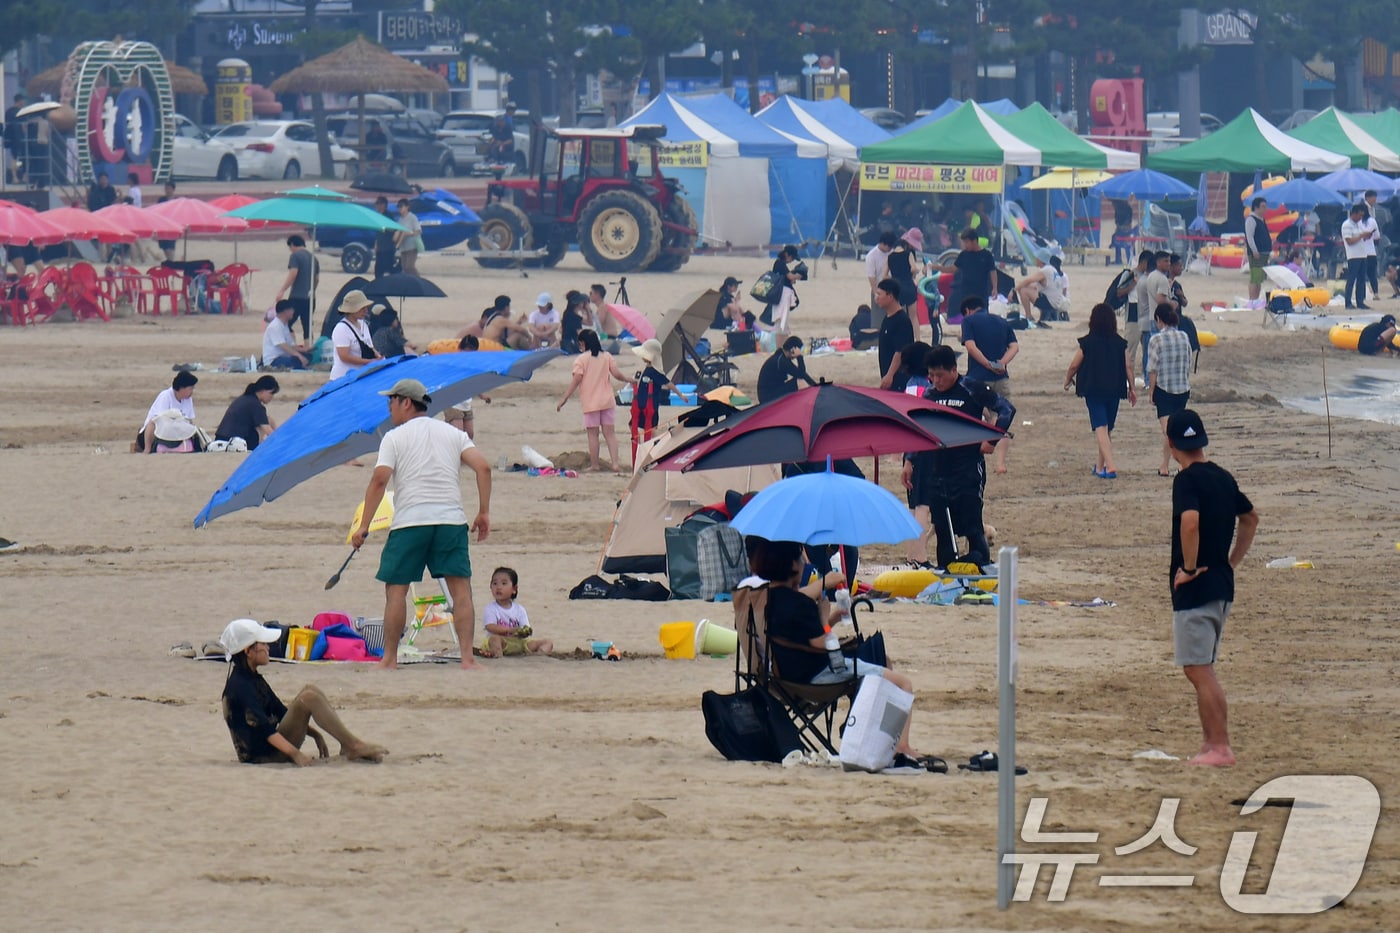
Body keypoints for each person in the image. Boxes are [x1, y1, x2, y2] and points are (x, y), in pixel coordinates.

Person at [751, 538, 931, 772]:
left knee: (879, 661)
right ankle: (901, 746)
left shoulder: (765, 599)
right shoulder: (798, 604)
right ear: (793, 566)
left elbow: (801, 636)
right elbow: (822, 643)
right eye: (800, 561)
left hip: (783, 674)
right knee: (903, 684)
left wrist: (833, 617)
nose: (804, 565)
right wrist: (825, 620)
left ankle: (861, 729)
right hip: (817, 677)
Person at [352, 378, 492, 670]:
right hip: (450, 521)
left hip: (410, 523)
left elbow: (380, 480)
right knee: (461, 591)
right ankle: (467, 658)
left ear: (406, 402)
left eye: (391, 401)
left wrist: (363, 526)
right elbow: (483, 467)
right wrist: (483, 512)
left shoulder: (394, 437)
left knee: (396, 591)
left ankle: (389, 659)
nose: (388, 407)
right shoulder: (452, 433)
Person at [1163, 410, 1259, 767]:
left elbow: (1190, 523)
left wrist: (1188, 569)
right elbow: (1250, 518)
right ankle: (1211, 744)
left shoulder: (1186, 481)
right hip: (1221, 583)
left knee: (1198, 669)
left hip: (1198, 585)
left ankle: (1219, 747)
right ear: (1201, 440)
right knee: (1203, 667)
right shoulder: (1222, 476)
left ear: (1171, 444)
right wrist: (1231, 562)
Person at [902, 345, 1014, 570]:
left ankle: (981, 568)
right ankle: (947, 572)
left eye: (940, 375)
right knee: (942, 528)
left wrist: (991, 440)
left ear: (954, 370)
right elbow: (919, 428)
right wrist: (909, 460)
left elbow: (1007, 410)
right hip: (937, 470)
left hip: (968, 469)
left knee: (972, 526)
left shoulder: (971, 388)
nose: (935, 381)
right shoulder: (930, 394)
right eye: (931, 375)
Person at [219, 618, 387, 766]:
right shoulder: (240, 686)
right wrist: (296, 754)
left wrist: (316, 735)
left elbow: (281, 711)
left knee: (309, 690)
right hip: (264, 757)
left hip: (271, 746)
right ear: (248, 651)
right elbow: (265, 730)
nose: (268, 647)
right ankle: (353, 746)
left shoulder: (251, 677)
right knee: (309, 697)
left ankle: (349, 744)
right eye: (263, 643)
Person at [1064, 303, 1136, 478]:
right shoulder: (1120, 343)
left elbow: (1074, 364)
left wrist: (1067, 380)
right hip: (1115, 389)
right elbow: (1128, 366)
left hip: (1093, 388)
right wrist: (1132, 388)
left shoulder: (1087, 342)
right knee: (1106, 429)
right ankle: (1099, 466)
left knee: (1100, 427)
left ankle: (1110, 466)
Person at [958, 295, 1017, 473]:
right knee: (1003, 416)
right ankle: (1001, 464)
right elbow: (1014, 347)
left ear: (967, 310)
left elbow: (970, 346)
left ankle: (979, 449)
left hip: (978, 377)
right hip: (1001, 376)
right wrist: (1001, 363)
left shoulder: (969, 321)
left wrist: (986, 364)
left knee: (975, 415)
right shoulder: (1001, 321)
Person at [557, 329, 629, 473]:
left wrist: (564, 397)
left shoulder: (581, 359)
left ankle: (595, 465)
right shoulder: (606, 356)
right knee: (610, 434)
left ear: (583, 343)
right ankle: (615, 464)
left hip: (591, 403)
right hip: (607, 401)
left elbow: (576, 380)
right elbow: (617, 374)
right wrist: (630, 380)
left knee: (593, 435)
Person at [1147, 304, 1193, 477]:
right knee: (1175, 429)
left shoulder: (1156, 340)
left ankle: (1171, 465)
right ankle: (1172, 466)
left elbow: (1152, 368)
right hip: (1182, 387)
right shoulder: (1184, 336)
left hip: (1164, 389)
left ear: (1159, 319)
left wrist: (1151, 391)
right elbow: (1188, 361)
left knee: (1168, 431)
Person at [630, 338, 687, 458]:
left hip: (650, 406)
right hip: (640, 404)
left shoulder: (656, 372)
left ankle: (657, 448)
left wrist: (680, 395)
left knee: (651, 429)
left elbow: (669, 383)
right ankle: (644, 448)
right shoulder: (647, 368)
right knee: (635, 425)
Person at [479, 567, 553, 657]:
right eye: (495, 583)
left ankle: (537, 657)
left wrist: (524, 631)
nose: (498, 587)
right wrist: (509, 630)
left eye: (503, 583)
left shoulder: (519, 609)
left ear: (514, 589)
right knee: (494, 640)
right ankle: (497, 655)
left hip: (519, 643)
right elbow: (490, 626)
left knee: (547, 642)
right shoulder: (491, 608)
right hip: (502, 641)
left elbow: (525, 628)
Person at [935, 228, 998, 327]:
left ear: (974, 241)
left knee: (983, 317)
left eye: (967, 242)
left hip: (981, 292)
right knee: (967, 317)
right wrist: (938, 267)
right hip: (966, 292)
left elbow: (992, 272)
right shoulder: (964, 254)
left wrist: (995, 287)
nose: (965, 245)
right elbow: (953, 269)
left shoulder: (986, 255)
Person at [1135, 251, 1175, 383]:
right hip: (1161, 319)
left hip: (1152, 318)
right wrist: (1173, 304)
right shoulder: (1162, 279)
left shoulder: (1150, 276)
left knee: (1151, 350)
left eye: (1169, 261)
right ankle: (1156, 380)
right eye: (1166, 261)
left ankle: (1148, 380)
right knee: (1162, 351)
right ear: (1158, 262)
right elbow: (1160, 299)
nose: (1168, 264)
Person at [137, 371, 198, 454]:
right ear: (181, 388)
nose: (192, 391)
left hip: (174, 434)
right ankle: (147, 449)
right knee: (153, 422)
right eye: (190, 389)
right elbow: (158, 420)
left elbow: (189, 420)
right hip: (155, 434)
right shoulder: (165, 396)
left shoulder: (188, 399)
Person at [443, 335, 492, 439]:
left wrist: (482, 395)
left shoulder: (472, 365)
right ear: (460, 349)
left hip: (466, 403)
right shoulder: (452, 363)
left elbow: (473, 382)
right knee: (459, 435)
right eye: (466, 351)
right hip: (452, 403)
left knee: (469, 435)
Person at [215, 375, 279, 452]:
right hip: (234, 442)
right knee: (262, 425)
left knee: (268, 419)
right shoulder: (256, 405)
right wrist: (280, 442)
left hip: (220, 438)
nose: (272, 397)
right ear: (262, 390)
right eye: (271, 393)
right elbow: (267, 430)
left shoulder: (245, 398)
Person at [273, 234, 318, 341]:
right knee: (307, 326)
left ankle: (292, 346)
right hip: (310, 297)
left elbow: (293, 273)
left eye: (290, 247)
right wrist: (312, 290)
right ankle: (309, 350)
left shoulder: (295, 256)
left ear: (293, 244)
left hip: (297, 296)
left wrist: (282, 290)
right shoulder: (313, 258)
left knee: (286, 323)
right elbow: (317, 279)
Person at [329, 290, 380, 380]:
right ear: (352, 310)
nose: (366, 311)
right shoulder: (341, 328)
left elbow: (369, 346)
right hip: (343, 377)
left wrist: (378, 357)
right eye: (362, 308)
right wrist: (369, 362)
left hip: (360, 375)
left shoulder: (364, 324)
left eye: (366, 307)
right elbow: (344, 356)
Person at [875, 279, 913, 390]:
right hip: (887, 373)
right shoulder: (887, 318)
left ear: (890, 296)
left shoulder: (902, 320)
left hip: (899, 378)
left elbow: (900, 351)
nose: (876, 298)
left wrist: (890, 374)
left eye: (879, 294)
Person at [1121, 250, 1153, 378]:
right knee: (1130, 350)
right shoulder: (1129, 274)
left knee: (1148, 350)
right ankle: (1127, 378)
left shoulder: (1150, 276)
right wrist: (1134, 282)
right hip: (1133, 314)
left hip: (1146, 314)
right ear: (1144, 263)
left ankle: (1147, 378)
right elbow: (1119, 292)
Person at [756, 335, 817, 403]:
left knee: (800, 380)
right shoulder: (781, 361)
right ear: (792, 350)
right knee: (800, 382)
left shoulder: (781, 357)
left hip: (771, 392)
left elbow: (801, 373)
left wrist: (816, 386)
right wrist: (799, 357)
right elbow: (801, 374)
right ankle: (812, 403)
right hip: (767, 397)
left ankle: (815, 395)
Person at [1014, 254, 1069, 326]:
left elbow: (1028, 280)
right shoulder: (1052, 269)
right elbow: (1034, 285)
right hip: (1057, 302)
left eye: (1036, 258)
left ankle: (1028, 316)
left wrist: (1014, 290)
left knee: (1023, 291)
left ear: (1040, 260)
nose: (1035, 259)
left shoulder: (1045, 270)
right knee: (1025, 288)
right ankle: (1037, 314)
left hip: (1051, 303)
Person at [762, 245, 805, 334]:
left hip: (781, 292)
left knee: (781, 318)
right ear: (787, 254)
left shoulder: (780, 263)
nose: (792, 260)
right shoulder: (780, 263)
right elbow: (790, 276)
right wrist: (799, 276)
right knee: (780, 319)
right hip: (782, 294)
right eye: (792, 257)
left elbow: (784, 277)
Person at [1341, 203, 1372, 310]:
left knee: (1362, 279)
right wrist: (1361, 236)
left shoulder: (1357, 225)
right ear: (1354, 214)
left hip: (1362, 254)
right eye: (1359, 215)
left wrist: (1365, 236)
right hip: (1353, 256)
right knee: (1351, 279)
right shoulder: (1347, 225)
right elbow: (1349, 241)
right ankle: (1348, 302)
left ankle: (1360, 301)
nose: (1360, 218)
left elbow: (1359, 238)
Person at [262, 299, 310, 369]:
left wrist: (305, 350)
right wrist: (299, 356)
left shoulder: (284, 325)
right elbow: (284, 346)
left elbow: (291, 346)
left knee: (308, 356)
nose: (293, 312)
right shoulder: (275, 326)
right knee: (297, 360)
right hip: (274, 360)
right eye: (291, 310)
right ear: (285, 312)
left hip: (285, 356)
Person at [865, 230, 897, 327]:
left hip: (892, 289)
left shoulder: (893, 253)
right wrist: (876, 293)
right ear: (883, 244)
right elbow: (871, 277)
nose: (890, 249)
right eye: (889, 246)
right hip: (879, 289)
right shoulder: (871, 256)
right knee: (878, 321)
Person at [1244, 196, 1273, 301]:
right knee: (1255, 278)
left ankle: (1255, 299)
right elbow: (1250, 237)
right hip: (1257, 253)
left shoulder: (1262, 220)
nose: (1265, 209)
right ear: (1256, 208)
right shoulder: (1251, 220)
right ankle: (1252, 299)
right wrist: (1254, 251)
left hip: (1264, 253)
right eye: (1263, 206)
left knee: (1259, 279)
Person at [1365, 189, 1391, 298]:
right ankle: (1367, 293)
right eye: (1373, 198)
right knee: (1366, 270)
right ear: (1368, 198)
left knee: (1372, 270)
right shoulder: (1363, 208)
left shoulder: (1373, 209)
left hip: (1373, 243)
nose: (1375, 201)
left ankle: (1375, 293)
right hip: (1365, 244)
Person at [394, 199, 423, 276]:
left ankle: (419, 280)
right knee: (404, 268)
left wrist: (409, 233)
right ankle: (411, 282)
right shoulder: (400, 220)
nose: (399, 208)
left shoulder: (412, 217)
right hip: (403, 247)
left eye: (401, 206)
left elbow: (419, 231)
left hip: (412, 246)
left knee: (409, 266)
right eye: (398, 206)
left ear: (407, 207)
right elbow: (398, 232)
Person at [372, 196, 398, 278]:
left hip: (388, 247)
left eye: (379, 204)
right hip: (380, 247)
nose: (377, 206)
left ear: (384, 205)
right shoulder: (377, 216)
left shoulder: (389, 216)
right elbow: (378, 233)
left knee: (389, 268)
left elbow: (393, 230)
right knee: (378, 270)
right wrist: (376, 244)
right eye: (376, 204)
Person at [1111, 196, 1137, 264]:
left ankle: (1118, 259)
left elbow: (1118, 222)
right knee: (1115, 237)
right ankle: (1118, 258)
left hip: (1124, 231)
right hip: (1128, 230)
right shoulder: (1127, 208)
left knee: (1115, 238)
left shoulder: (1121, 210)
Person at [156, 181, 178, 260]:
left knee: (170, 247)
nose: (167, 190)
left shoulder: (177, 201)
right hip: (162, 226)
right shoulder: (161, 200)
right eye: (166, 188)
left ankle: (171, 263)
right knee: (164, 247)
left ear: (173, 189)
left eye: (169, 188)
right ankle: (169, 262)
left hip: (172, 227)